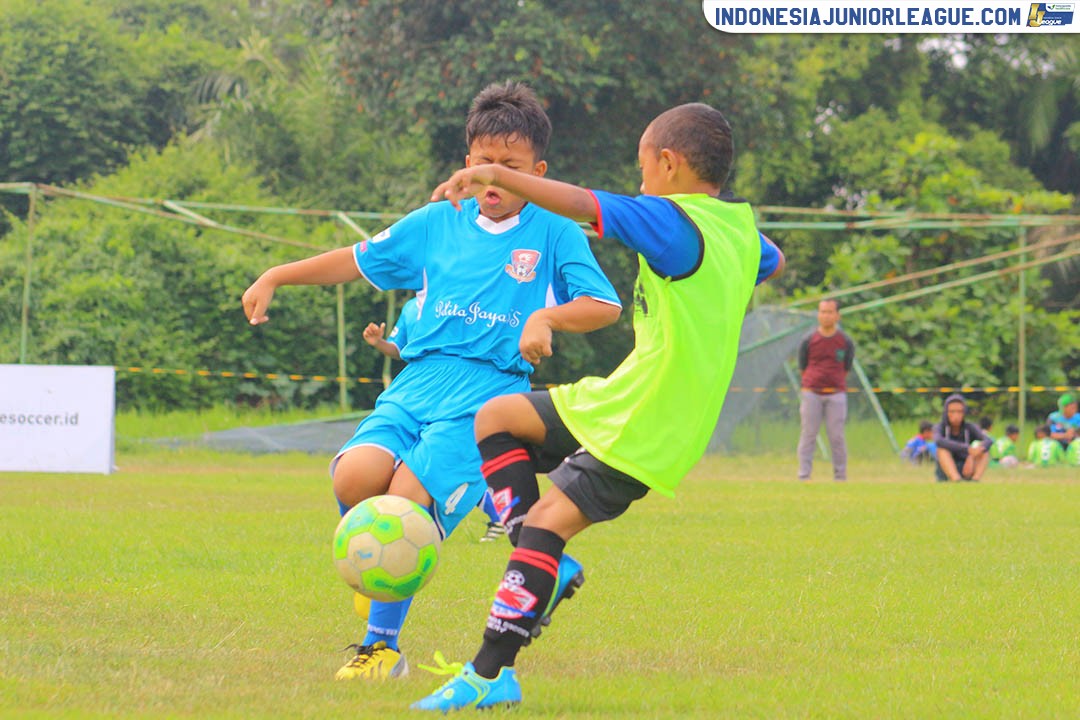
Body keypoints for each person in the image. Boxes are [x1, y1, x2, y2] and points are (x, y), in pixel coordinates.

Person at [241, 81, 622, 681]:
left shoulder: (554, 232)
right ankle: (416, 574)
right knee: (354, 476)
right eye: (482, 164)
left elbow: (605, 305)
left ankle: (381, 648)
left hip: (487, 396)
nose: (494, 179)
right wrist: (277, 275)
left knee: (402, 503)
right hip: (415, 384)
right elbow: (356, 258)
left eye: (511, 167)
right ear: (466, 162)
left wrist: (545, 317)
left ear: (538, 172)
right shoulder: (437, 221)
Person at [411, 102, 784, 711]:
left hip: (650, 420)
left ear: (668, 163)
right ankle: (542, 568)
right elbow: (773, 260)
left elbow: (584, 204)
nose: (640, 184)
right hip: (629, 395)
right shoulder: (736, 230)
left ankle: (489, 674)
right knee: (498, 417)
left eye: (643, 169)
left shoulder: (671, 220)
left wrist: (496, 175)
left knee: (544, 526)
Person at [364, 297, 507, 542]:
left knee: (440, 465)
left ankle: (505, 515)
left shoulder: (459, 300)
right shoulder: (410, 308)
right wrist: (379, 343)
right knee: (417, 466)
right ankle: (505, 514)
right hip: (417, 394)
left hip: (457, 393)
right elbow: (399, 349)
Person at [795, 299, 855, 481]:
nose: (825, 316)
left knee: (836, 437)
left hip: (836, 394)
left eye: (829, 312)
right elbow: (802, 366)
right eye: (822, 312)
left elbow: (846, 367)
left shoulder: (845, 341)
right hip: (811, 392)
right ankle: (804, 476)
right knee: (808, 435)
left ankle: (840, 476)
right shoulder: (809, 340)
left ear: (837, 315)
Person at [933, 394, 992, 482]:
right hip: (946, 468)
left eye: (959, 411)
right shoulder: (940, 427)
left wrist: (972, 455)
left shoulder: (970, 427)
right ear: (946, 413)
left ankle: (975, 481)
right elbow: (938, 441)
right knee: (942, 450)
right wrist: (967, 449)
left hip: (966, 466)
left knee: (984, 452)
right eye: (952, 411)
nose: (956, 415)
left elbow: (988, 440)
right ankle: (956, 480)